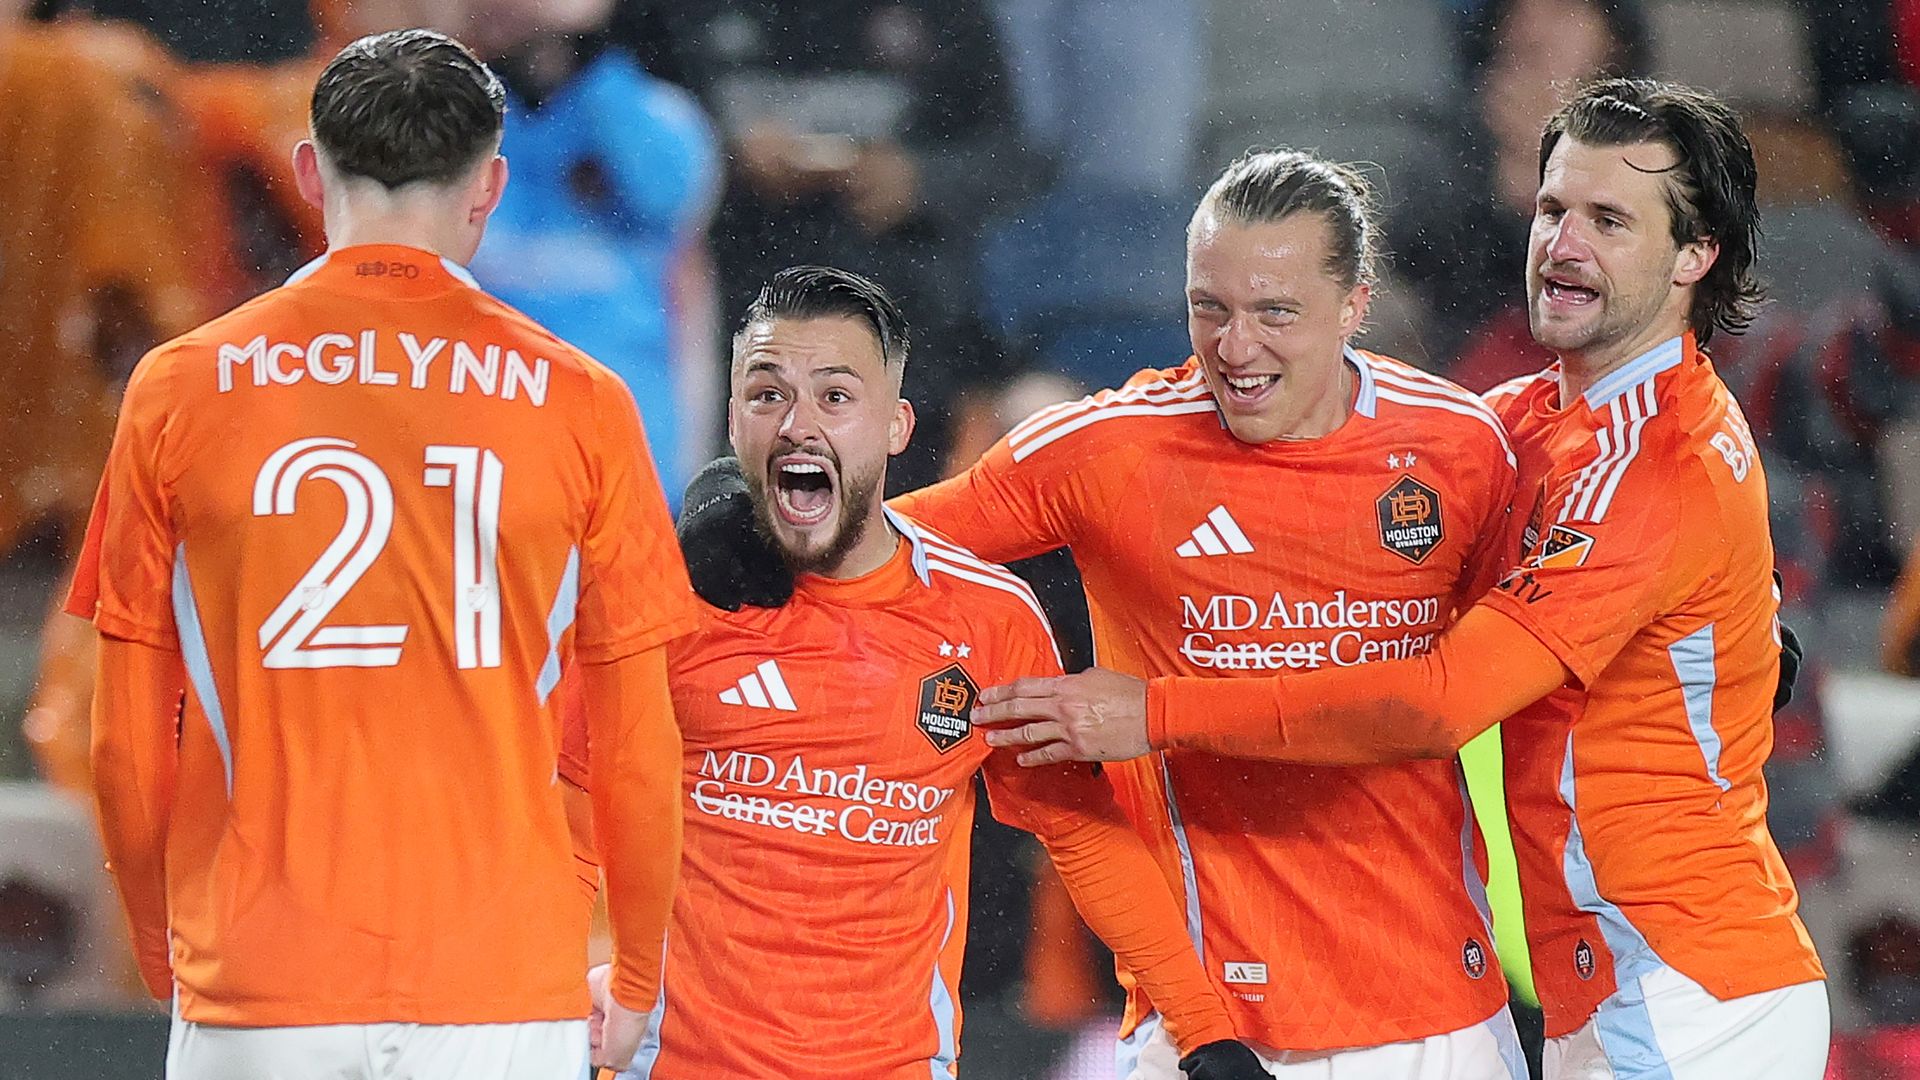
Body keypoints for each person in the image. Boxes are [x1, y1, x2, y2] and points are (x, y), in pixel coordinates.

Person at [980, 79, 1832, 1079]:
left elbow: (1438, 706)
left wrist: (1152, 712)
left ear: (1697, 254)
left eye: (1610, 220)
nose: (1563, 244)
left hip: (1696, 996)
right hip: (1608, 994)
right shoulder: (1527, 421)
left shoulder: (1655, 463)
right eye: (1555, 209)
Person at [679, 152, 1531, 1078]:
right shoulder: (1106, 450)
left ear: (1355, 304)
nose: (1236, 348)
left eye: (1275, 312)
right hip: (1203, 1014)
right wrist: (734, 508)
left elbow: (1460, 696)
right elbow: (872, 541)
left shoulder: (1460, 450)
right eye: (1211, 308)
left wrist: (1153, 711)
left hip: (1436, 1008)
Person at [65, 29, 692, 1077]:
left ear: (310, 172)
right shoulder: (584, 403)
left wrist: (158, 947)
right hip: (498, 983)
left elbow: (126, 742)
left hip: (261, 977)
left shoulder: (178, 387)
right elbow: (636, 742)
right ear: (489, 185)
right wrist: (633, 970)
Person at [579, 265, 1263, 1080]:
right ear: (733, 419)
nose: (798, 425)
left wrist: (1204, 1030)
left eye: (836, 397)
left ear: (898, 425)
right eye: (768, 396)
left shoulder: (986, 619)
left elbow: (1078, 831)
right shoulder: (661, 599)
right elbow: (567, 802)